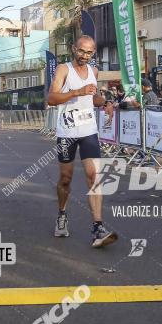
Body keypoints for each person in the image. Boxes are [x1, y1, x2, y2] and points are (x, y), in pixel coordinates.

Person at [47, 35, 118, 249]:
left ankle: (98, 227)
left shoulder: (94, 72)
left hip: (88, 130)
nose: (84, 56)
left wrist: (104, 102)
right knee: (66, 178)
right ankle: (61, 215)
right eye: (81, 51)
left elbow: (92, 98)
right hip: (67, 131)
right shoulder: (63, 69)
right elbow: (51, 98)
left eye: (89, 53)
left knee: (93, 176)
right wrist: (77, 91)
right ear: (73, 49)